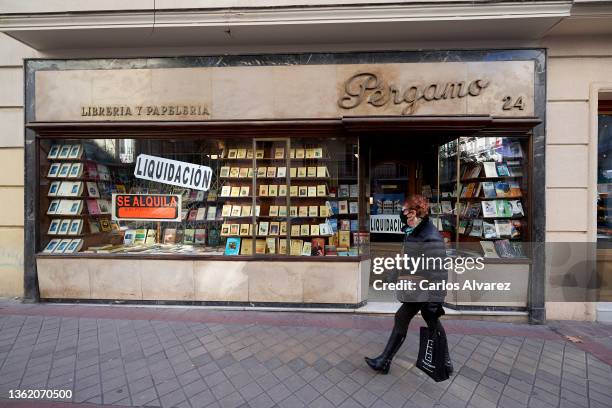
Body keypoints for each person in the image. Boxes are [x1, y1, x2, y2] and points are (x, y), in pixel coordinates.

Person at [365, 194, 448, 374]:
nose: (401, 214)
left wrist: (435, 301)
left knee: (409, 318)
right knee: (430, 324)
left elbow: (439, 271)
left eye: (403, 210)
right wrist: (394, 275)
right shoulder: (413, 232)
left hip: (425, 290)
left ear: (413, 213)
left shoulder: (430, 236)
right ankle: (445, 362)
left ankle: (384, 361)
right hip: (417, 287)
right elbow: (408, 259)